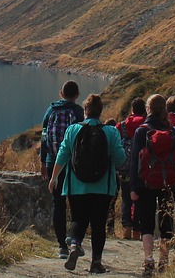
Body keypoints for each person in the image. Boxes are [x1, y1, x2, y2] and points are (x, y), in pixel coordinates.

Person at [50, 94, 125, 274]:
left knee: (78, 218)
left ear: (85, 111)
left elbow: (63, 155)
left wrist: (54, 178)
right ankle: (96, 263)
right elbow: (120, 159)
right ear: (100, 112)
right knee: (98, 224)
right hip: (103, 187)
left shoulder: (72, 130)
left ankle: (75, 245)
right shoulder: (111, 132)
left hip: (76, 186)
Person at [130, 93, 175, 273]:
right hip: (168, 183)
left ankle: (148, 260)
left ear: (148, 109)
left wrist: (134, 187)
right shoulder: (171, 131)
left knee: (147, 222)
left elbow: (135, 161)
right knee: (166, 221)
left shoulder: (142, 131)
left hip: (146, 184)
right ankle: (164, 260)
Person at [41, 80, 84, 258]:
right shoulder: (78, 112)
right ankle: (75, 241)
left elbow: (44, 137)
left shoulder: (51, 110)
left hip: (53, 163)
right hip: (74, 164)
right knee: (76, 204)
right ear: (77, 95)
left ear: (61, 93)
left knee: (58, 204)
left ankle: (61, 247)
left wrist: (43, 162)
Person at [116, 98, 147, 239]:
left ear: (132, 110)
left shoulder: (121, 126)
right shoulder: (146, 125)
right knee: (140, 200)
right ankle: (137, 231)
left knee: (126, 199)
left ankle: (126, 229)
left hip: (124, 168)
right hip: (142, 169)